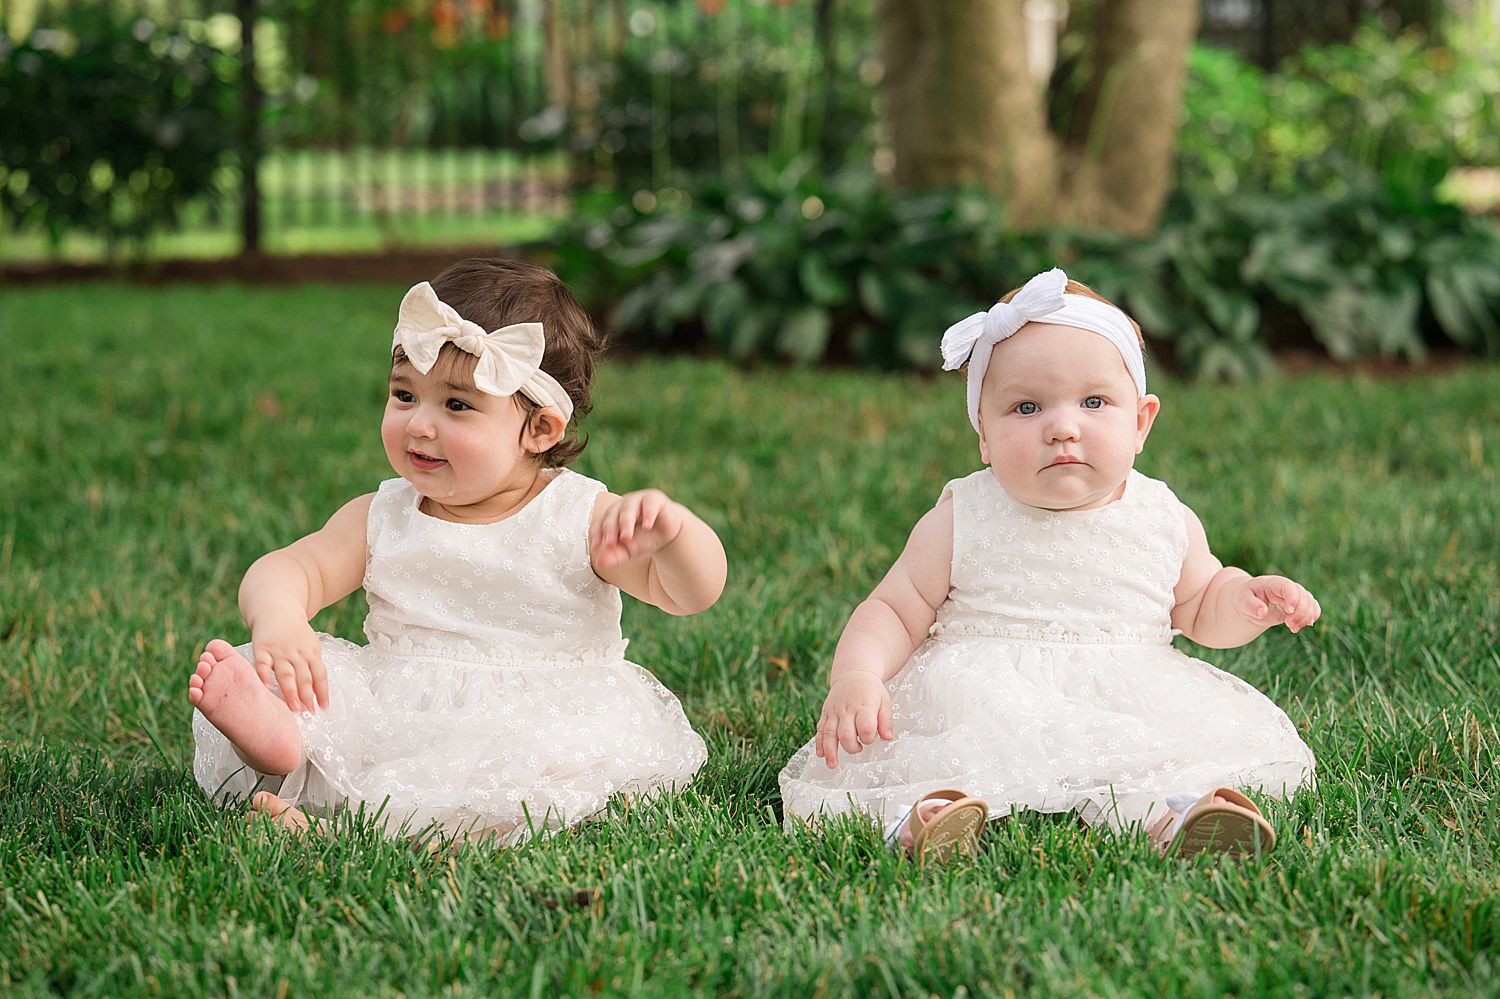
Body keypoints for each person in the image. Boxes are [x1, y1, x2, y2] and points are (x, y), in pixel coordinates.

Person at [779, 268, 1318, 862]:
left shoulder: (1163, 515)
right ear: (983, 435)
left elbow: (1198, 604)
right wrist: (858, 676)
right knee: (941, 756)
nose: (1062, 427)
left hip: (1126, 693)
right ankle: (927, 817)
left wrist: (1243, 600)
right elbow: (895, 608)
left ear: (1140, 422)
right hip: (978, 695)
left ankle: (1182, 816)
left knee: (1161, 756)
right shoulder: (965, 514)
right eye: (1027, 407)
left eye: (1094, 402)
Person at [188, 258, 725, 840]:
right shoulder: (385, 514)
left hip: (537, 719)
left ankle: (335, 829)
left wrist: (674, 536)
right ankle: (283, 744)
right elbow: (293, 567)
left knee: (523, 779)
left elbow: (691, 593)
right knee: (280, 677)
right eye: (404, 395)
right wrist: (280, 616)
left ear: (539, 431)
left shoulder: (581, 518)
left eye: (457, 406)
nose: (419, 424)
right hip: (396, 705)